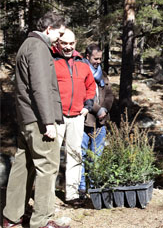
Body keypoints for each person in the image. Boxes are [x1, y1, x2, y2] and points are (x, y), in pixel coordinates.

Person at [2, 12, 69, 228]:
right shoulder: (39, 47)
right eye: (59, 33)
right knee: (47, 167)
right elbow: (39, 86)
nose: (60, 38)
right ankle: (42, 221)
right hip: (39, 120)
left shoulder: (26, 45)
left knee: (23, 166)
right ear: (49, 29)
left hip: (26, 118)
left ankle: (11, 218)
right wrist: (48, 121)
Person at [52, 29, 96, 204]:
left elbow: (90, 86)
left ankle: (72, 195)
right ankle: (47, 196)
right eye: (64, 43)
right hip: (56, 116)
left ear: (76, 43)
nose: (68, 47)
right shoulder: (51, 60)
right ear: (58, 43)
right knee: (52, 157)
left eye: (71, 43)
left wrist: (88, 106)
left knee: (75, 155)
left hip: (77, 116)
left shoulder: (82, 63)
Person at [78, 43, 114, 194]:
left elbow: (110, 94)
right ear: (87, 56)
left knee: (97, 155)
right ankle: (80, 188)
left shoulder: (103, 74)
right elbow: (83, 97)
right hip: (85, 121)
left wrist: (104, 108)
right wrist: (97, 109)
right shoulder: (80, 72)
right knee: (81, 155)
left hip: (101, 122)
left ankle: (94, 186)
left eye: (100, 59)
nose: (98, 62)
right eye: (95, 58)